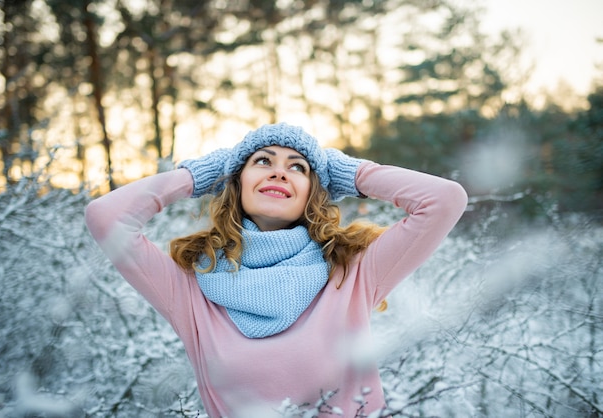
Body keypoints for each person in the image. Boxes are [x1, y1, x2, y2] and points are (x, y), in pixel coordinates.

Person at [85, 122, 468, 417]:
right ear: (234, 185)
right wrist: (200, 175)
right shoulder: (189, 289)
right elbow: (106, 217)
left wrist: (348, 172)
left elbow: (444, 200)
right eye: (262, 161)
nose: (279, 172)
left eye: (298, 167)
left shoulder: (351, 272)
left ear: (314, 192)